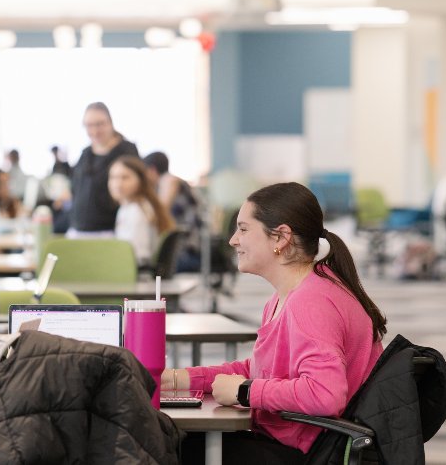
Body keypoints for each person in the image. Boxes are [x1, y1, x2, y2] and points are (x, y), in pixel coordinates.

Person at [160, 182, 387, 463]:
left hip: (309, 452)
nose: (233, 240)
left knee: (167, 446)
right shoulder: (290, 295)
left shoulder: (312, 302)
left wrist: (245, 390)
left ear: (280, 238)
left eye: (243, 229)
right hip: (297, 442)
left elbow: (326, 393)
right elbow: (262, 370)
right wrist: (183, 379)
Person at [68, 102, 140, 238]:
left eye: (99, 124)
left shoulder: (126, 151)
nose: (94, 131)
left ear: (110, 123)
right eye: (89, 125)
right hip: (77, 229)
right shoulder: (85, 154)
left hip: (110, 231)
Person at [145, 152, 206, 272]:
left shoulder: (169, 180)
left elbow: (159, 214)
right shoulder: (171, 181)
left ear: (152, 170)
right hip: (192, 248)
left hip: (190, 253)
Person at [108, 156, 175, 266]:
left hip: (137, 277)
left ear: (140, 181)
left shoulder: (136, 211)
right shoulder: (134, 206)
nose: (117, 184)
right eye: (113, 177)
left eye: (125, 177)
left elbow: (139, 257)